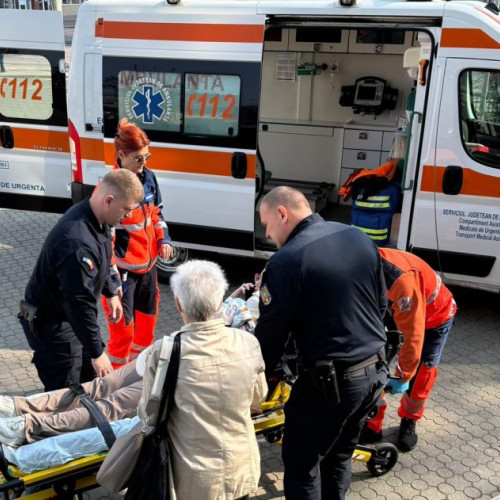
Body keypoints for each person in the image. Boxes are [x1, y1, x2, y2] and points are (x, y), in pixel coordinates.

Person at [254, 186, 388, 500]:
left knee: (302, 466)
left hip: (331, 385)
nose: (267, 233)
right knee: (339, 456)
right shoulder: (357, 237)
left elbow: (270, 337)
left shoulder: (287, 260)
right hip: (375, 370)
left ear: (282, 213)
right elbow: (381, 304)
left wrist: (258, 383)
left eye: (266, 224)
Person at [139, 260, 267, 500]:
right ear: (219, 303)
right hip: (240, 470)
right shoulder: (248, 343)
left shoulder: (164, 352)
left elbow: (148, 414)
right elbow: (258, 397)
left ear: (177, 304)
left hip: (193, 481)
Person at [19, 169, 144, 392]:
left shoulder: (98, 218)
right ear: (109, 200)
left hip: (72, 321)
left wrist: (111, 291)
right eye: (126, 210)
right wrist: (97, 353)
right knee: (66, 395)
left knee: (91, 383)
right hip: (55, 327)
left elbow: (104, 256)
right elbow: (79, 304)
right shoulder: (76, 242)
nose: (127, 217)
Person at [361, 247, 457, 452]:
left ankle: (409, 420)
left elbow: (412, 337)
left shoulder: (400, 281)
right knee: (376, 364)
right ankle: (372, 424)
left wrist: (404, 375)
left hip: (435, 318)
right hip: (393, 310)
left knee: (422, 372)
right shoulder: (359, 267)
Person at [102, 118, 174, 369]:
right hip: (123, 275)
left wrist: (164, 239)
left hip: (148, 271)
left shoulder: (149, 178)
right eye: (139, 158)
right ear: (121, 155)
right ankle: (116, 383)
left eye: (147, 156)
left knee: (145, 334)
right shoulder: (111, 188)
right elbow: (105, 243)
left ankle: (140, 377)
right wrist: (112, 285)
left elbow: (157, 214)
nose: (144, 163)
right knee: (122, 336)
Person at [0, 361, 142, 446]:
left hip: (158, 380)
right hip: (155, 353)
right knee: (101, 385)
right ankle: (18, 407)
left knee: (112, 407)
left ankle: (27, 428)